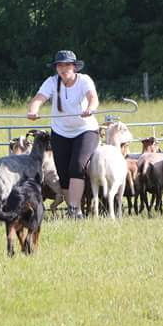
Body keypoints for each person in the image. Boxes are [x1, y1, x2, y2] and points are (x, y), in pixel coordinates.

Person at [27, 50, 100, 218]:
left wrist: (90, 108)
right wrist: (33, 110)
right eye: (60, 65)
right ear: (56, 68)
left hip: (85, 130)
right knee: (63, 172)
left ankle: (74, 209)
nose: (63, 68)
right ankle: (74, 212)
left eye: (67, 64)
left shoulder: (84, 80)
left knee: (77, 166)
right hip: (60, 132)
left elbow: (93, 97)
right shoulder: (52, 82)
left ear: (74, 67)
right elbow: (39, 98)